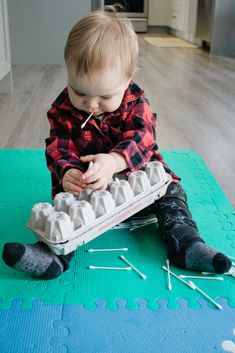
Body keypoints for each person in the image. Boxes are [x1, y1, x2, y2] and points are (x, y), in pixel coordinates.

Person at [2, 6, 231, 279]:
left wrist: (115, 161)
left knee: (173, 197)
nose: (92, 105)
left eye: (105, 96)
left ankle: (187, 244)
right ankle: (53, 256)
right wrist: (68, 171)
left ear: (128, 78)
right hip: (89, 191)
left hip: (140, 183)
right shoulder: (63, 108)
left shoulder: (135, 102)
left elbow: (144, 137)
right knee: (66, 214)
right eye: (80, 92)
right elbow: (58, 146)